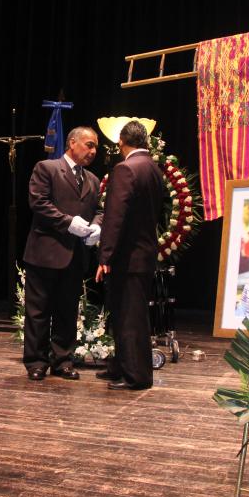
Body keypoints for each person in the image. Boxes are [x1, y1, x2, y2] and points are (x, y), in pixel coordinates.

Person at [22, 126, 102, 381]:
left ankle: (62, 360)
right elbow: (39, 203)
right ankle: (36, 361)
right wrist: (68, 222)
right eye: (89, 144)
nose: (93, 151)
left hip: (75, 255)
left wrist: (98, 225)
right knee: (38, 311)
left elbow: (99, 207)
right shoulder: (46, 168)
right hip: (45, 252)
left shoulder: (92, 179)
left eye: (95, 147)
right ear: (72, 143)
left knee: (67, 310)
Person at [95, 120, 165, 390]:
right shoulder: (153, 168)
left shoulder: (126, 168)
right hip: (144, 254)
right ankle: (119, 366)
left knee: (130, 317)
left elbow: (115, 218)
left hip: (128, 257)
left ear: (121, 142)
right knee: (123, 314)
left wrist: (105, 257)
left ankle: (136, 376)